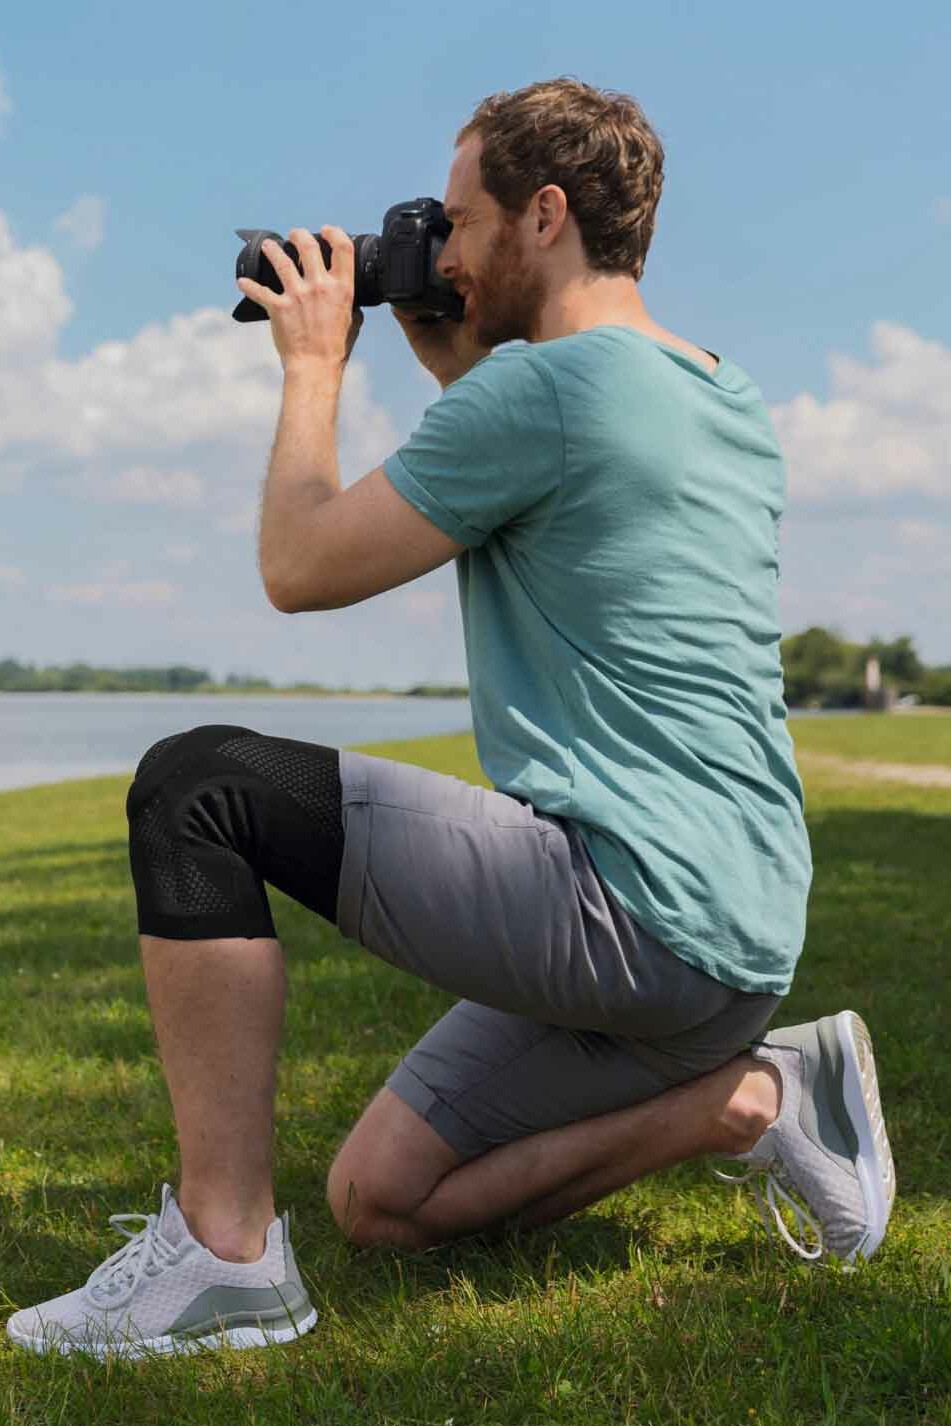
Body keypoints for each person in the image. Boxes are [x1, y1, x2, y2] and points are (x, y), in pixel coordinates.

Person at [6, 77, 895, 1361]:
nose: (448, 250)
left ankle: (222, 1259)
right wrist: (456, 367)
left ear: (545, 215)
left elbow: (299, 565)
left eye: (462, 221)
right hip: (736, 942)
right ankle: (755, 1098)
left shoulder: (537, 399)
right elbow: (566, 478)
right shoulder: (718, 393)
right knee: (382, 1198)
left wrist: (314, 363)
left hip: (628, 908)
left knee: (198, 785)